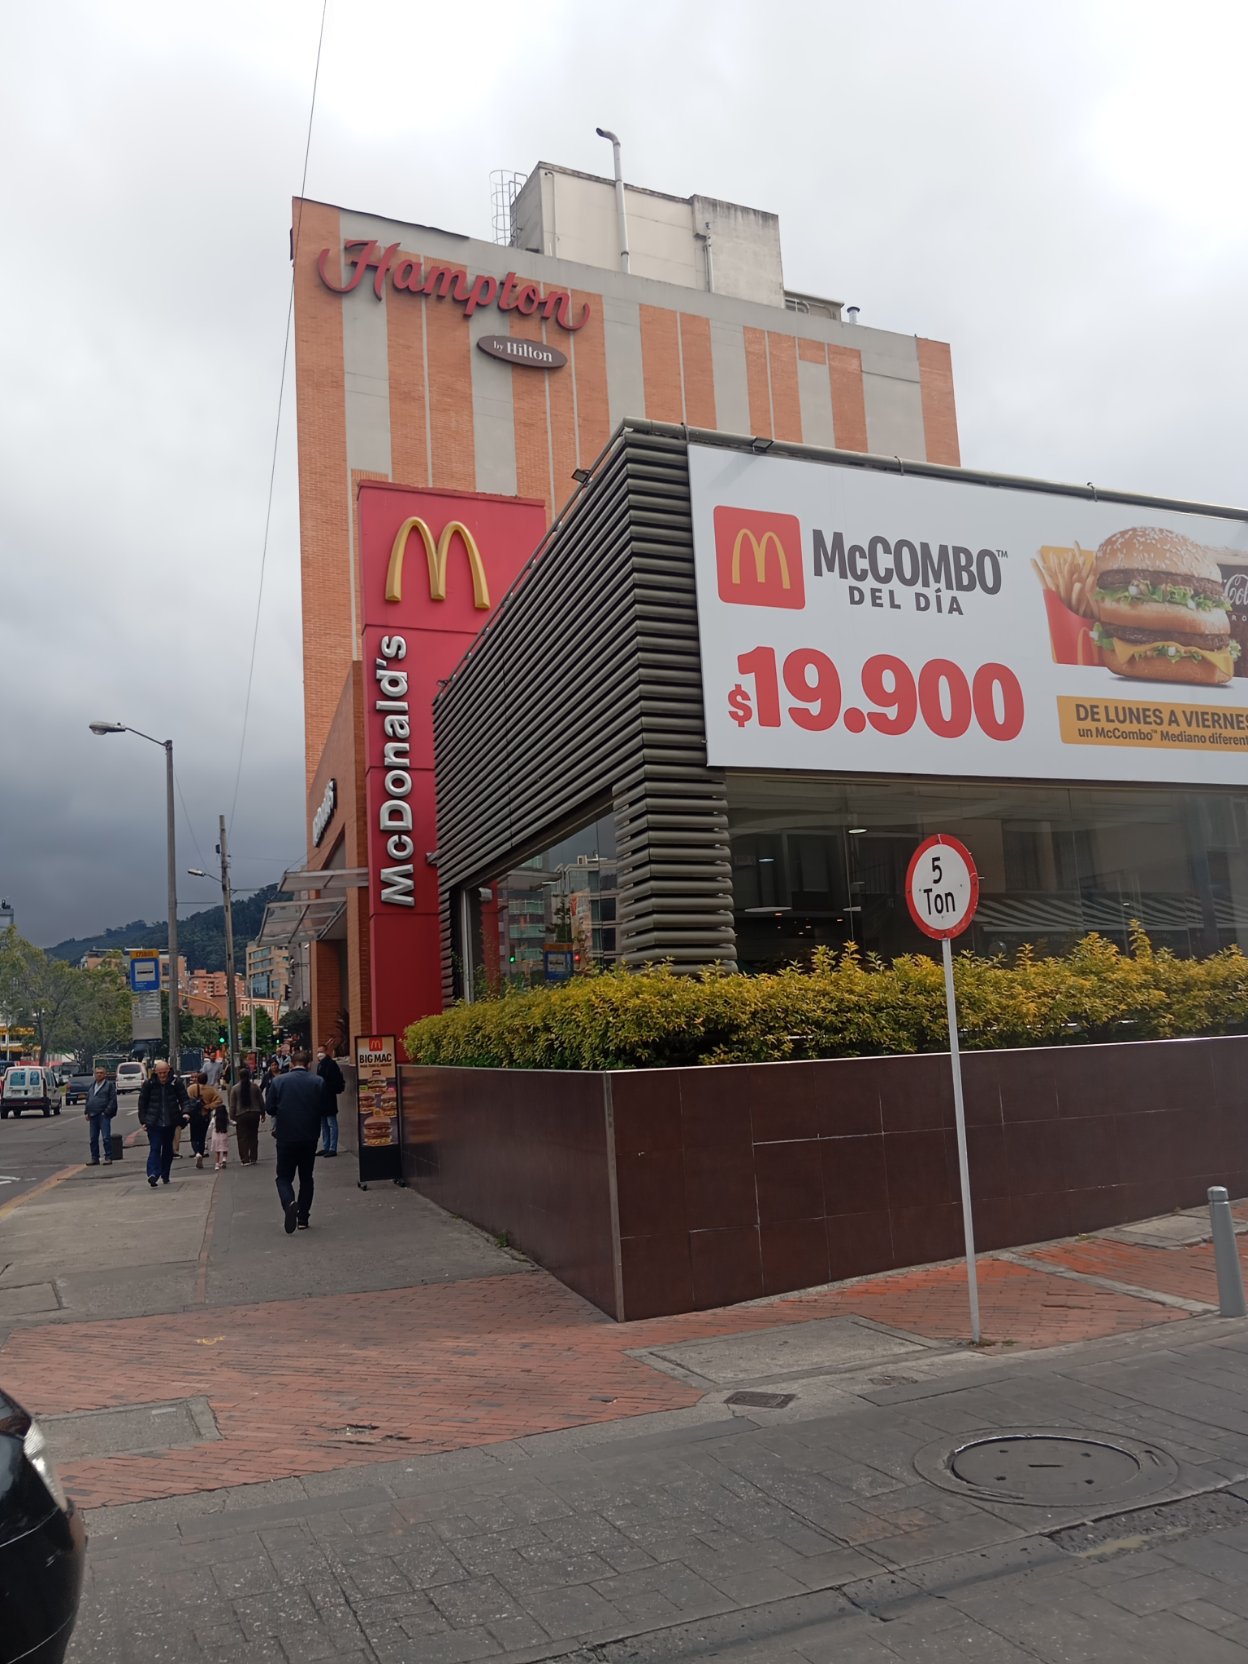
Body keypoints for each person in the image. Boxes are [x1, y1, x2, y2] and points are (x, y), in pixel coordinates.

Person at [264, 1050, 325, 1233]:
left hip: (286, 1136)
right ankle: (303, 1218)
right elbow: (324, 1107)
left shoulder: (278, 1081)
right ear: (308, 1064)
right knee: (306, 1177)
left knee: (283, 1176)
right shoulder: (318, 1082)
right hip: (309, 1136)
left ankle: (289, 1201)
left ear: (291, 1064)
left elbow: (270, 1108)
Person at [137, 1059, 190, 1188]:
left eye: (164, 1073)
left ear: (168, 1071)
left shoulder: (175, 1083)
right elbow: (142, 1103)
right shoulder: (149, 1084)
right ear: (155, 1072)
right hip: (154, 1122)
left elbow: (184, 1099)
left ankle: (165, 1174)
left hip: (170, 1121)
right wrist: (143, 1120)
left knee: (167, 1150)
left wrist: (185, 1112)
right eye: (160, 1073)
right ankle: (153, 1174)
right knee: (155, 1148)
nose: (162, 1075)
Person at [186, 1072, 224, 1170]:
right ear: (206, 1080)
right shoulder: (211, 1090)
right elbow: (219, 1100)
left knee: (194, 1136)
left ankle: (196, 1153)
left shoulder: (190, 1089)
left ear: (198, 1079)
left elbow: (186, 1100)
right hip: (204, 1115)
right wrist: (209, 1106)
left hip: (193, 1115)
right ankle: (201, 1152)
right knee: (202, 1137)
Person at [230, 1065, 265, 1166]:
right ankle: (253, 1157)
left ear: (239, 1076)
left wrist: (232, 1117)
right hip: (255, 1113)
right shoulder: (255, 1087)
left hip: (241, 1114)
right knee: (253, 1135)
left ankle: (245, 1159)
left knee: (242, 1137)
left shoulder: (235, 1089)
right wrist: (263, 1113)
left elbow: (232, 1105)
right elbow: (261, 1101)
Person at [316, 1040, 345, 1157]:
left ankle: (332, 1147)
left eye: (321, 1051)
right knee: (324, 1124)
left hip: (329, 1098)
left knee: (331, 1123)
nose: (319, 1054)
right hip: (322, 1098)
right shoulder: (320, 1065)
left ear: (326, 1052)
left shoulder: (331, 1064)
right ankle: (326, 1146)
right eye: (318, 1052)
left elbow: (335, 1082)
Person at [83, 1067, 117, 1166]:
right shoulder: (92, 1086)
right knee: (93, 1138)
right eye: (97, 1073)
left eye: (101, 1073)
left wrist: (106, 1112)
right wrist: (86, 1112)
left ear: (105, 1074)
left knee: (106, 1137)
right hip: (92, 1115)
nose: (99, 1074)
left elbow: (112, 1100)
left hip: (103, 1115)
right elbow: (88, 1099)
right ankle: (94, 1157)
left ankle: (108, 1157)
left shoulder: (109, 1085)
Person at [210, 1102, 231, 1170]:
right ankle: (224, 1159)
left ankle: (217, 1164)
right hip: (224, 1135)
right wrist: (235, 1123)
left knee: (217, 1151)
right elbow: (231, 1122)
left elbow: (210, 1126)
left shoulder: (214, 1118)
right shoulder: (225, 1118)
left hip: (215, 1136)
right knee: (224, 1149)